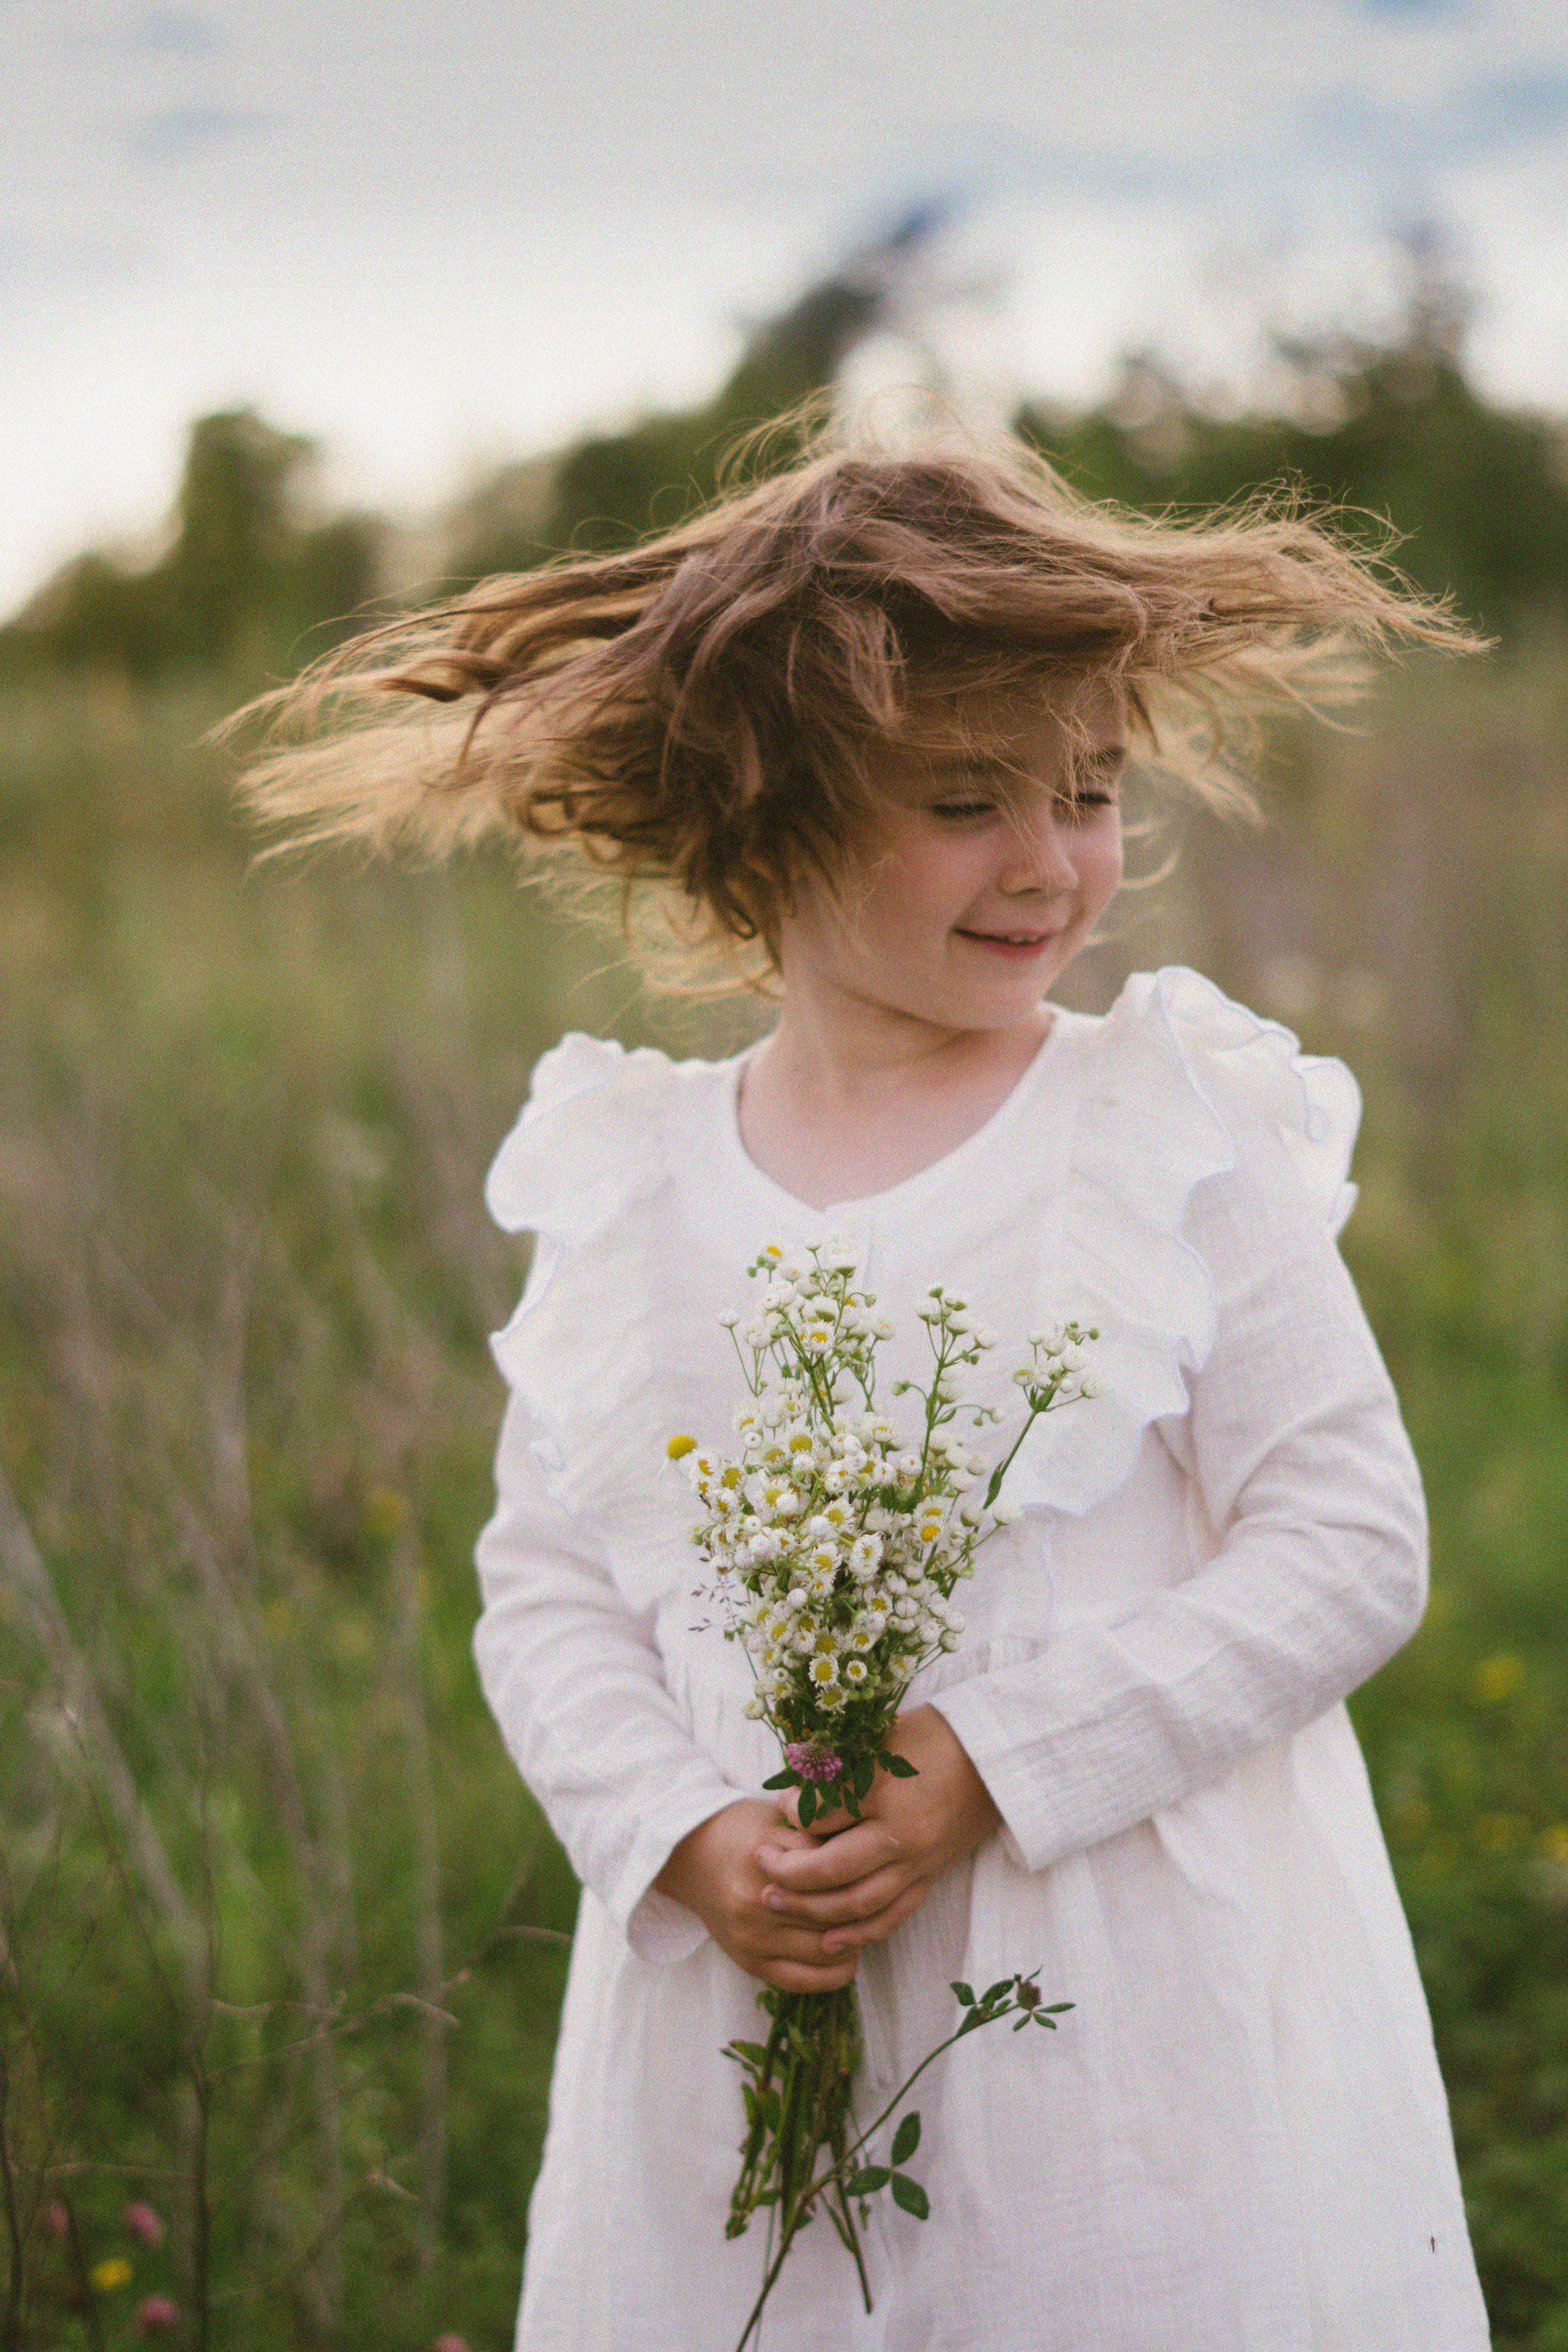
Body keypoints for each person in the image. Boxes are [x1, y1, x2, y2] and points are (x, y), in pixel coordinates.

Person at [238, 423, 1493, 2350]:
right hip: (749, 2004)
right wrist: (680, 1832)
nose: (1051, 863)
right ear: (762, 824)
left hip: (1115, 2012)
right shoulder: (632, 1181)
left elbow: (1348, 1541)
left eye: (1086, 791)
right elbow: (549, 1587)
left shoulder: (1160, 1127)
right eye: (964, 801)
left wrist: (996, 1762)